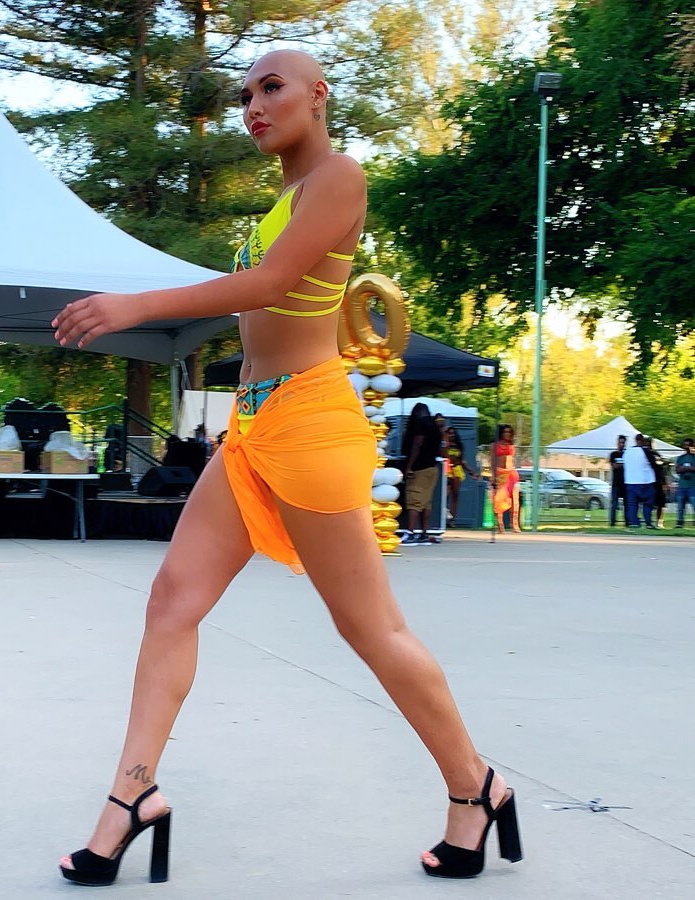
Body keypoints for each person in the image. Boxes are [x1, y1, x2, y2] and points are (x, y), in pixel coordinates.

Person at [52, 49, 520, 886]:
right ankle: (132, 795)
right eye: (245, 95)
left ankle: (474, 786)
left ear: (318, 95)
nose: (254, 107)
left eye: (272, 88)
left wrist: (136, 306)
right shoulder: (284, 198)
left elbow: (270, 284)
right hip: (254, 424)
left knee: (370, 628)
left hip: (309, 420)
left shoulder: (339, 177)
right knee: (172, 602)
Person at [400, 402, 444, 544]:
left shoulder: (420, 424)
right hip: (432, 467)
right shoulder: (435, 425)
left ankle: (410, 533)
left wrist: (409, 466)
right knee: (426, 503)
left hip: (419, 467)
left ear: (416, 413)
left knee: (414, 500)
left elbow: (417, 444)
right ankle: (424, 534)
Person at [444, 426, 478, 525]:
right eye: (449, 433)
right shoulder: (445, 445)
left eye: (453, 433)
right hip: (447, 470)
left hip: (457, 469)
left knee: (455, 495)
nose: (452, 435)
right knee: (445, 494)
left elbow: (462, 460)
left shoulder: (459, 445)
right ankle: (444, 513)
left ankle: (452, 520)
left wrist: (471, 472)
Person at [622, 433, 656, 529]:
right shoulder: (646, 452)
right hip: (646, 481)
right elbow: (654, 464)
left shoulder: (627, 451)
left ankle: (634, 523)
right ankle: (648, 523)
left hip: (630, 481)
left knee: (632, 504)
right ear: (642, 441)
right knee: (648, 503)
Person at [492, 425, 521, 533]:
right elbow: (493, 461)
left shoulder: (511, 445)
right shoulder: (495, 445)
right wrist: (493, 476)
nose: (507, 434)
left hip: (511, 474)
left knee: (515, 500)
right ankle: (500, 525)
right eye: (505, 432)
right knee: (498, 500)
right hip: (499, 473)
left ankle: (515, 525)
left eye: (509, 432)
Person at [643, 437, 667, 527]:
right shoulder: (642, 454)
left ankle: (659, 522)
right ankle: (648, 521)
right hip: (648, 481)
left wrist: (664, 482)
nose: (649, 445)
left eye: (650, 443)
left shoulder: (656, 454)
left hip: (658, 481)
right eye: (647, 443)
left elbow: (661, 468)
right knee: (648, 503)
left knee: (661, 503)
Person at [608, 435, 627, 527]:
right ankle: (612, 522)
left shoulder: (627, 454)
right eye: (620, 442)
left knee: (626, 505)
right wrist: (623, 465)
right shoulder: (613, 454)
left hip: (625, 483)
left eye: (623, 443)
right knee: (614, 504)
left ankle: (627, 522)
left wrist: (620, 465)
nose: (621, 444)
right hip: (616, 483)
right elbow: (614, 466)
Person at [675, 437, 695, 527]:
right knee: (680, 506)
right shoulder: (680, 458)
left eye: (689, 445)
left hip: (693, 485)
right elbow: (677, 470)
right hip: (682, 485)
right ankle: (680, 522)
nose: (687, 447)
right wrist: (689, 468)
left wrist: (684, 468)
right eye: (685, 445)